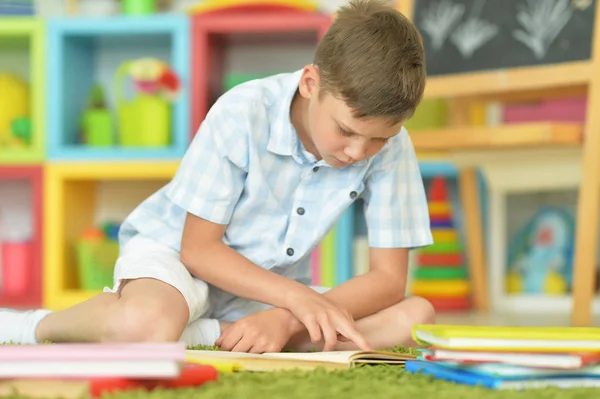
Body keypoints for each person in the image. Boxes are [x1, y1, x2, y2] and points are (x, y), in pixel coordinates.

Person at [0, 0, 435, 353]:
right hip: (178, 259)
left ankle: (228, 333)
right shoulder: (242, 111)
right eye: (346, 130)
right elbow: (199, 249)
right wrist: (298, 302)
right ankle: (36, 325)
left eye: (379, 138)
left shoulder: (392, 146)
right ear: (309, 83)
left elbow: (388, 279)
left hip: (264, 288)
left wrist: (285, 316)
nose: (359, 152)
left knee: (415, 318)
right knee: (143, 325)